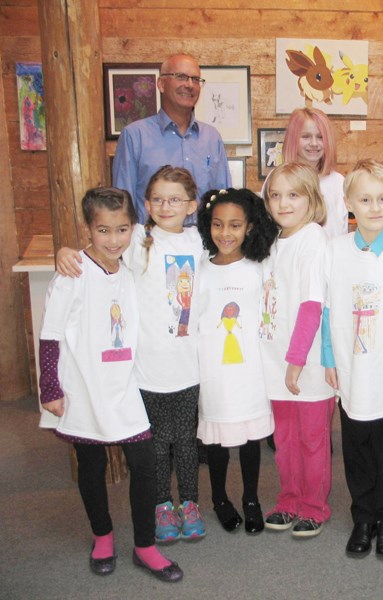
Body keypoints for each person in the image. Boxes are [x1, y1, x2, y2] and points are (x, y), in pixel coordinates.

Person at [54, 167, 208, 545]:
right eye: (157, 199)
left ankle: (189, 502)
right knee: (155, 444)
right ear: (146, 204)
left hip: (190, 364)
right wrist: (63, 251)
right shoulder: (138, 237)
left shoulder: (201, 240)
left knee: (186, 440)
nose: (165, 206)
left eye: (175, 199)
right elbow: (102, 239)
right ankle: (160, 505)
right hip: (144, 367)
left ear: (191, 205)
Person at [38, 187, 183, 582]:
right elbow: (50, 334)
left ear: (132, 228)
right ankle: (101, 535)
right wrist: (49, 387)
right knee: (90, 463)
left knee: (145, 461)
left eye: (122, 229)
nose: (114, 239)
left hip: (124, 386)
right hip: (83, 386)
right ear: (88, 228)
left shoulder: (133, 266)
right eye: (103, 230)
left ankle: (145, 545)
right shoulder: (73, 272)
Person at [321, 159, 383, 558]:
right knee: (358, 444)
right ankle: (362, 515)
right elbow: (328, 309)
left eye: (382, 198)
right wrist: (330, 358)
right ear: (348, 203)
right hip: (351, 365)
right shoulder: (334, 251)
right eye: (365, 199)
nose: (375, 207)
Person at [195, 187, 279, 535]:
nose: (225, 234)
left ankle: (250, 499)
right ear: (207, 226)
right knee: (216, 439)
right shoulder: (199, 268)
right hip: (212, 370)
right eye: (218, 225)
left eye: (234, 225)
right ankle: (218, 498)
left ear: (249, 227)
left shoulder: (259, 267)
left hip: (250, 370)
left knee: (249, 439)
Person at [261, 162, 336, 538]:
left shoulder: (313, 240)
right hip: (275, 360)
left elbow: (312, 306)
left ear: (311, 198)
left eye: (293, 195)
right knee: (284, 440)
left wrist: (295, 361)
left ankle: (313, 506)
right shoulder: (273, 240)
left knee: (312, 441)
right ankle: (288, 499)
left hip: (304, 365)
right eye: (275, 195)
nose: (283, 203)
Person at [114, 54, 231, 224]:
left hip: (202, 245)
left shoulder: (211, 137)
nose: (189, 84)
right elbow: (121, 204)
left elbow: (224, 200)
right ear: (161, 84)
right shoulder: (135, 136)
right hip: (152, 243)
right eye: (181, 77)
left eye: (196, 79)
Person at [260, 108, 349, 239]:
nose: (314, 143)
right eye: (306, 136)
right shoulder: (276, 178)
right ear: (293, 139)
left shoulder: (338, 182)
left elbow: (341, 230)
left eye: (320, 137)